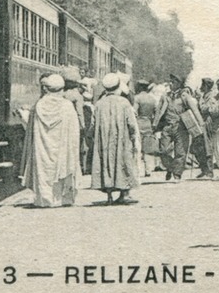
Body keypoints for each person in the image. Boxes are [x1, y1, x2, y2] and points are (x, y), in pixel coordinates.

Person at [22, 71, 81, 207]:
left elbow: (31, 129)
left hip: (42, 148)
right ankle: (61, 198)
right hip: (62, 147)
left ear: (46, 88)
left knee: (44, 168)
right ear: (62, 88)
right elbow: (74, 131)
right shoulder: (67, 106)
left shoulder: (39, 105)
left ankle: (45, 199)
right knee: (62, 166)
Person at [91, 73, 141, 204]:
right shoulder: (124, 103)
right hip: (122, 140)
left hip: (104, 139)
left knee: (106, 162)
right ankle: (123, 194)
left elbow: (92, 124)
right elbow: (131, 123)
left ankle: (108, 196)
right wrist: (134, 137)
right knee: (122, 163)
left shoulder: (99, 104)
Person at [134, 79, 164, 176]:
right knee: (147, 149)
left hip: (139, 123)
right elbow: (157, 113)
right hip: (149, 124)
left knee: (138, 148)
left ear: (140, 87)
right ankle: (148, 170)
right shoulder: (152, 99)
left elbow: (134, 112)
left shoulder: (137, 98)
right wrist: (154, 124)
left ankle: (138, 170)